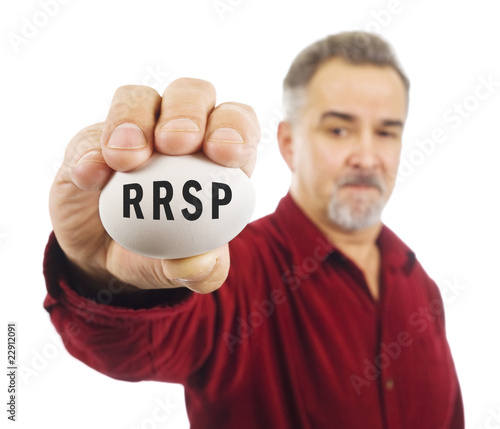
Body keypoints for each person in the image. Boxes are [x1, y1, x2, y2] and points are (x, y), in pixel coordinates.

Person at [44, 31, 464, 428]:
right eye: (339, 129)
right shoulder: (227, 269)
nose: (367, 156)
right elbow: (133, 345)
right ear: (289, 143)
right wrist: (102, 276)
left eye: (387, 131)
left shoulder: (420, 284)